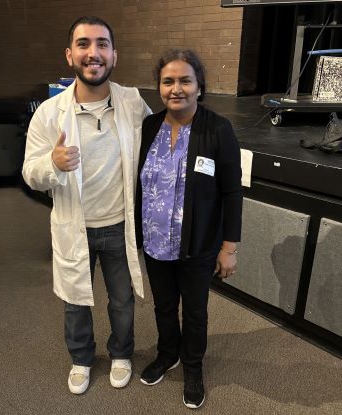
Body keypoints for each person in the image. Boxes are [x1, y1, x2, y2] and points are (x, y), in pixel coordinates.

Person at [22, 16, 151, 395]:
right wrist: (53, 164)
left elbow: (155, 148)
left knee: (123, 300)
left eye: (102, 44)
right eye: (83, 44)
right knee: (75, 300)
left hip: (118, 224)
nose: (92, 52)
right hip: (73, 225)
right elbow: (30, 172)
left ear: (114, 54)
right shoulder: (49, 114)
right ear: (70, 54)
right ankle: (81, 358)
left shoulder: (132, 102)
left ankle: (121, 352)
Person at [135, 49, 243, 409]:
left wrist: (229, 247)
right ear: (159, 87)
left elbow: (231, 191)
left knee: (194, 312)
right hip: (155, 240)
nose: (176, 88)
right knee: (164, 307)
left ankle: (193, 367)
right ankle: (169, 354)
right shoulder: (150, 126)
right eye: (168, 81)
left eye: (185, 80)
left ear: (200, 86)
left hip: (197, 245)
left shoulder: (217, 129)